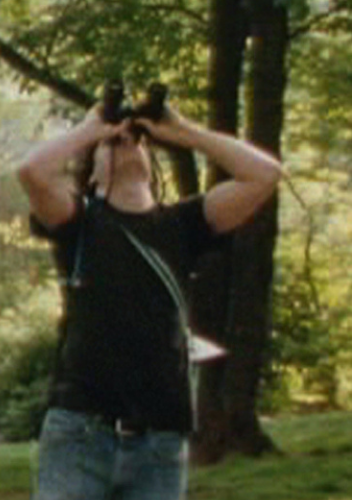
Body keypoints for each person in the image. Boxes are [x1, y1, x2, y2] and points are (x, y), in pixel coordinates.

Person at [17, 101, 281, 499]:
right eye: (113, 144)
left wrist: (186, 132)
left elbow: (265, 174)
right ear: (92, 176)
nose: (126, 143)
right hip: (80, 432)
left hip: (161, 439)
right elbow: (31, 173)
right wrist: (91, 129)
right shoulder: (80, 222)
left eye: (136, 140)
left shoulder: (184, 225)